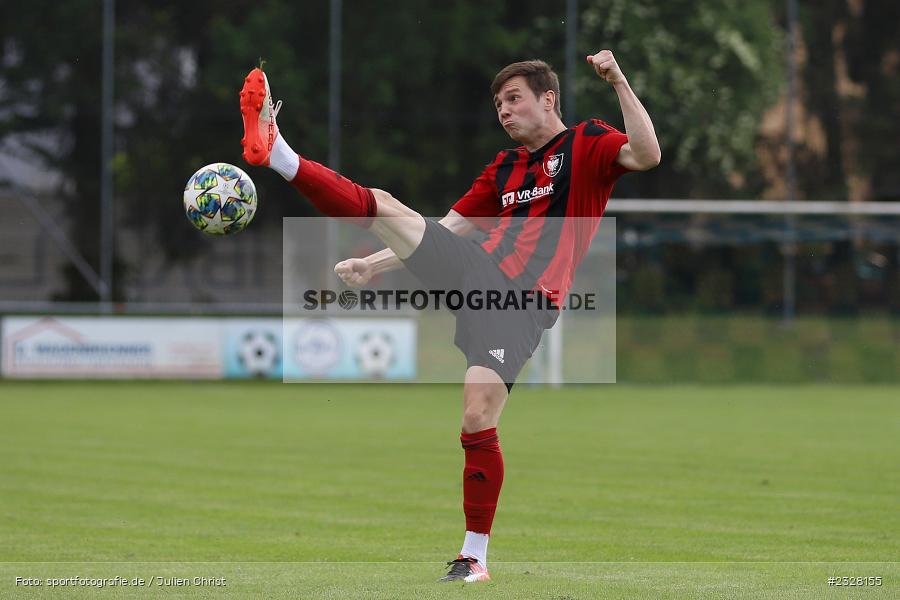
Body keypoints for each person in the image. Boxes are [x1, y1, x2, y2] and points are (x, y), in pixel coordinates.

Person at [239, 50, 660, 583]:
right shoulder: (504, 169)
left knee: (476, 417)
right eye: (498, 104)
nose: (504, 111)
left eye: (515, 99)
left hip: (522, 304)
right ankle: (279, 153)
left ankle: (474, 558)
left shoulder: (587, 143)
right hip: (477, 273)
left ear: (548, 99)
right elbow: (452, 227)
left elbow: (647, 154)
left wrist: (619, 79)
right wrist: (374, 264)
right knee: (390, 207)